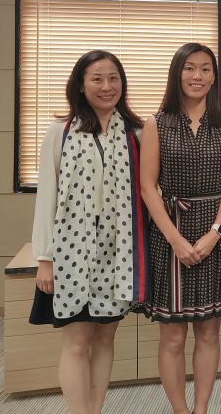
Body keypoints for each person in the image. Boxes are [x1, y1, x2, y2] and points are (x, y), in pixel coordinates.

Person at [30, 50, 148, 414]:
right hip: (69, 252)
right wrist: (44, 259)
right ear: (80, 84)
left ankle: (96, 409)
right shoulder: (60, 131)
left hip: (117, 253)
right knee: (78, 342)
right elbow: (46, 197)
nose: (107, 86)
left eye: (114, 78)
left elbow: (149, 190)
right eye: (97, 78)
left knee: (106, 339)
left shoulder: (135, 133)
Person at [140, 43, 221, 414]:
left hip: (212, 232)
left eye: (205, 69)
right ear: (177, 73)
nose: (197, 76)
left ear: (214, 76)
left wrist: (216, 232)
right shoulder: (156, 123)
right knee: (172, 334)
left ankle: (201, 409)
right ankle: (180, 411)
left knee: (209, 331)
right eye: (189, 68)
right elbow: (148, 186)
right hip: (170, 232)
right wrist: (176, 239)